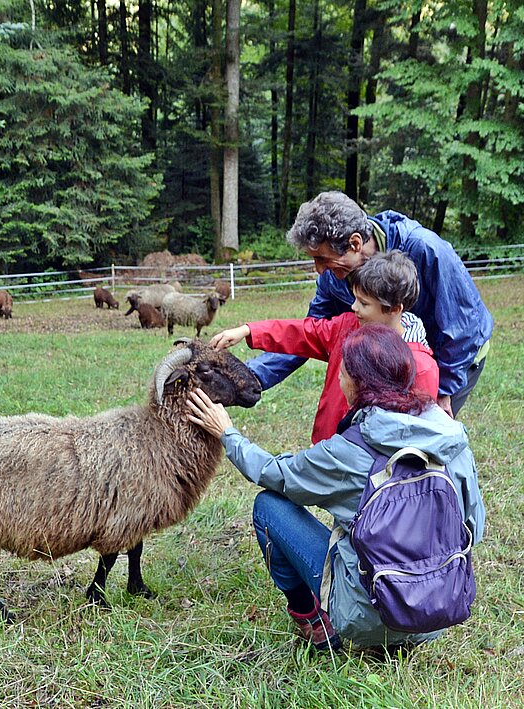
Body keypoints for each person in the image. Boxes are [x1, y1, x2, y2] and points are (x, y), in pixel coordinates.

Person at [186, 325, 485, 651]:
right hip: (442, 609)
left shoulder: (350, 450)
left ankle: (315, 624)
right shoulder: (451, 437)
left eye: (341, 370)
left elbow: (274, 473)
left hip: (368, 615)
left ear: (355, 383)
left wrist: (228, 433)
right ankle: (407, 628)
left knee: (269, 507)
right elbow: (474, 527)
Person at [246, 191, 492, 418]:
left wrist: (443, 389)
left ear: (354, 244)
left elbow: (463, 327)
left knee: (419, 440)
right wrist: (250, 377)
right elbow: (310, 333)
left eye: (322, 258)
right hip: (393, 360)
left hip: (451, 357)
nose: (319, 270)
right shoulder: (334, 277)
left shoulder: (424, 249)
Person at [210, 250, 439, 444]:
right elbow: (304, 332)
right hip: (327, 449)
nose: (353, 307)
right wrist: (249, 330)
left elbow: (415, 435)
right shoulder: (348, 326)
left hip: (371, 475)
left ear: (395, 309)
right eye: (355, 298)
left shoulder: (419, 367)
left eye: (364, 303)